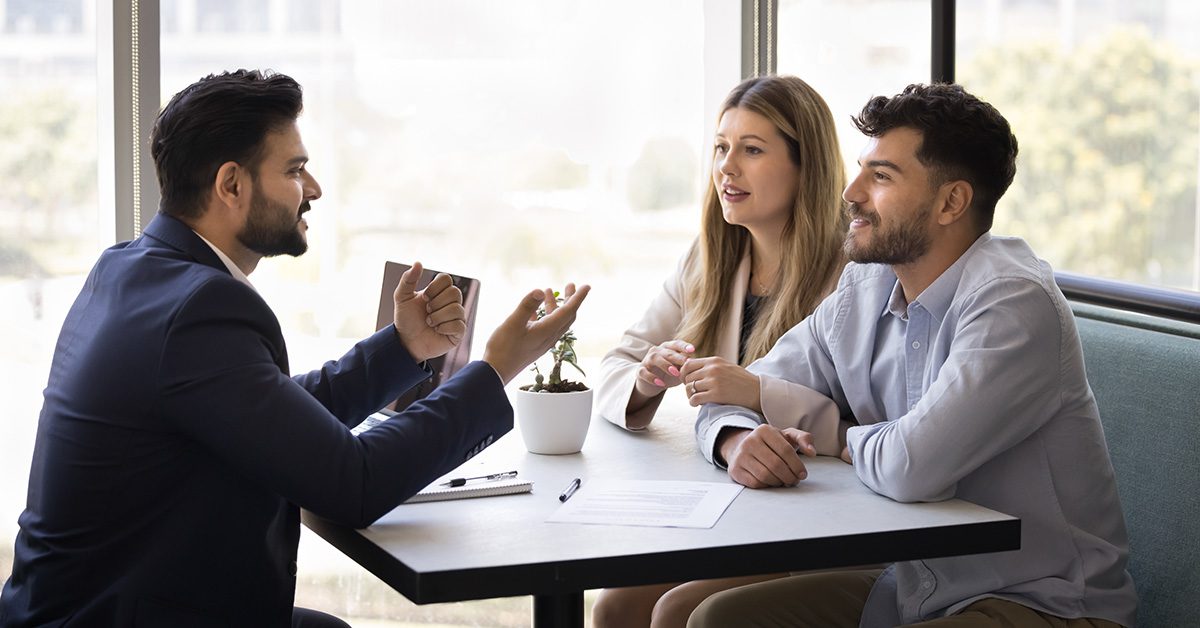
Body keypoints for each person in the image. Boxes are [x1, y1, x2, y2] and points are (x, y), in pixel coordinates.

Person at [0, 69, 589, 628]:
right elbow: (354, 483)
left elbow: (274, 416)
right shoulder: (199, 310)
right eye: (295, 170)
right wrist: (497, 367)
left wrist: (405, 347)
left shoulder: (130, 269)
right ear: (231, 184)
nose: (314, 189)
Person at [689, 83, 1136, 627]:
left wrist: (830, 433)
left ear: (952, 202)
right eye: (862, 170)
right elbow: (740, 388)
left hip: (1039, 601)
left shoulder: (1013, 303)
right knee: (719, 618)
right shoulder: (864, 286)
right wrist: (736, 438)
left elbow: (909, 467)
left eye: (880, 177)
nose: (850, 192)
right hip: (914, 583)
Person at [592, 74, 848, 628]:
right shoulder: (711, 258)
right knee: (614, 606)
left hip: (818, 513)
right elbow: (617, 363)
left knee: (679, 610)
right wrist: (645, 379)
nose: (726, 168)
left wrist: (758, 398)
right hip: (733, 501)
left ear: (808, 167)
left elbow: (871, 419)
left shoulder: (853, 274)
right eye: (721, 147)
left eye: (752, 150)